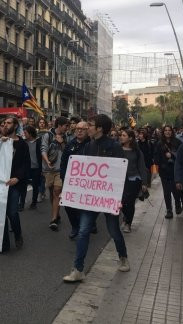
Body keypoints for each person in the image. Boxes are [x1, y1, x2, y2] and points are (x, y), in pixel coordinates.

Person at [63, 114, 130, 283]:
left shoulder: (115, 147)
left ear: (99, 128)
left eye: (91, 125)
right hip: (91, 199)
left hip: (108, 199)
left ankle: (123, 257)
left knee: (114, 230)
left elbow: (121, 174)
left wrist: (119, 198)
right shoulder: (89, 146)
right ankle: (78, 269)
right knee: (83, 231)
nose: (88, 128)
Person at [1, 116, 29, 251]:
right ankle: (4, 243)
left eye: (8, 123)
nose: (5, 125)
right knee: (0, 212)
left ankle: (18, 235)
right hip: (0, 183)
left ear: (16, 126)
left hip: (14, 183)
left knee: (12, 212)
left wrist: (17, 178)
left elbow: (25, 164)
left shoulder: (22, 144)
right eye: (4, 123)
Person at [60, 121, 91, 239]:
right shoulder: (70, 144)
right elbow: (63, 163)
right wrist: (64, 178)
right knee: (68, 205)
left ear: (88, 130)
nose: (79, 131)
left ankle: (88, 225)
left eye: (83, 129)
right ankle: (75, 226)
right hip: (70, 182)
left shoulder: (92, 144)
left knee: (84, 206)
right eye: (77, 128)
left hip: (87, 183)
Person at [41, 116, 69, 231]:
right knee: (52, 194)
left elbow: (67, 151)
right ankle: (56, 212)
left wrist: (62, 143)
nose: (67, 128)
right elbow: (43, 149)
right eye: (65, 126)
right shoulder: (48, 135)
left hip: (60, 170)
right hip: (48, 169)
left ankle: (53, 220)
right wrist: (47, 161)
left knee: (57, 191)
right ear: (59, 126)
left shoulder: (66, 137)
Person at [119, 129, 148, 233]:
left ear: (130, 138)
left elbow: (142, 167)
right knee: (121, 202)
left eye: (123, 135)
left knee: (129, 202)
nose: (121, 137)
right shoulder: (117, 150)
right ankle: (125, 217)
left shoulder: (137, 151)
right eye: (121, 135)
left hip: (133, 180)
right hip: (120, 180)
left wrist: (144, 183)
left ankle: (128, 223)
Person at [154, 125, 183, 219]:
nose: (167, 132)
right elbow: (156, 157)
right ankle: (169, 210)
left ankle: (178, 204)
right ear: (163, 132)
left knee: (176, 191)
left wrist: (172, 155)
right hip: (164, 172)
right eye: (166, 130)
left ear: (172, 131)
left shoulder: (177, 142)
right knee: (166, 192)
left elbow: (181, 158)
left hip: (175, 172)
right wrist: (161, 163)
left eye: (169, 130)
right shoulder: (159, 144)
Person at [20, 125, 41, 210]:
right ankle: (21, 204)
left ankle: (34, 202)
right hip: (26, 168)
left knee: (35, 186)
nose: (24, 134)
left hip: (36, 167)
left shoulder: (38, 142)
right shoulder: (23, 142)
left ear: (31, 133)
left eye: (25, 133)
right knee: (23, 186)